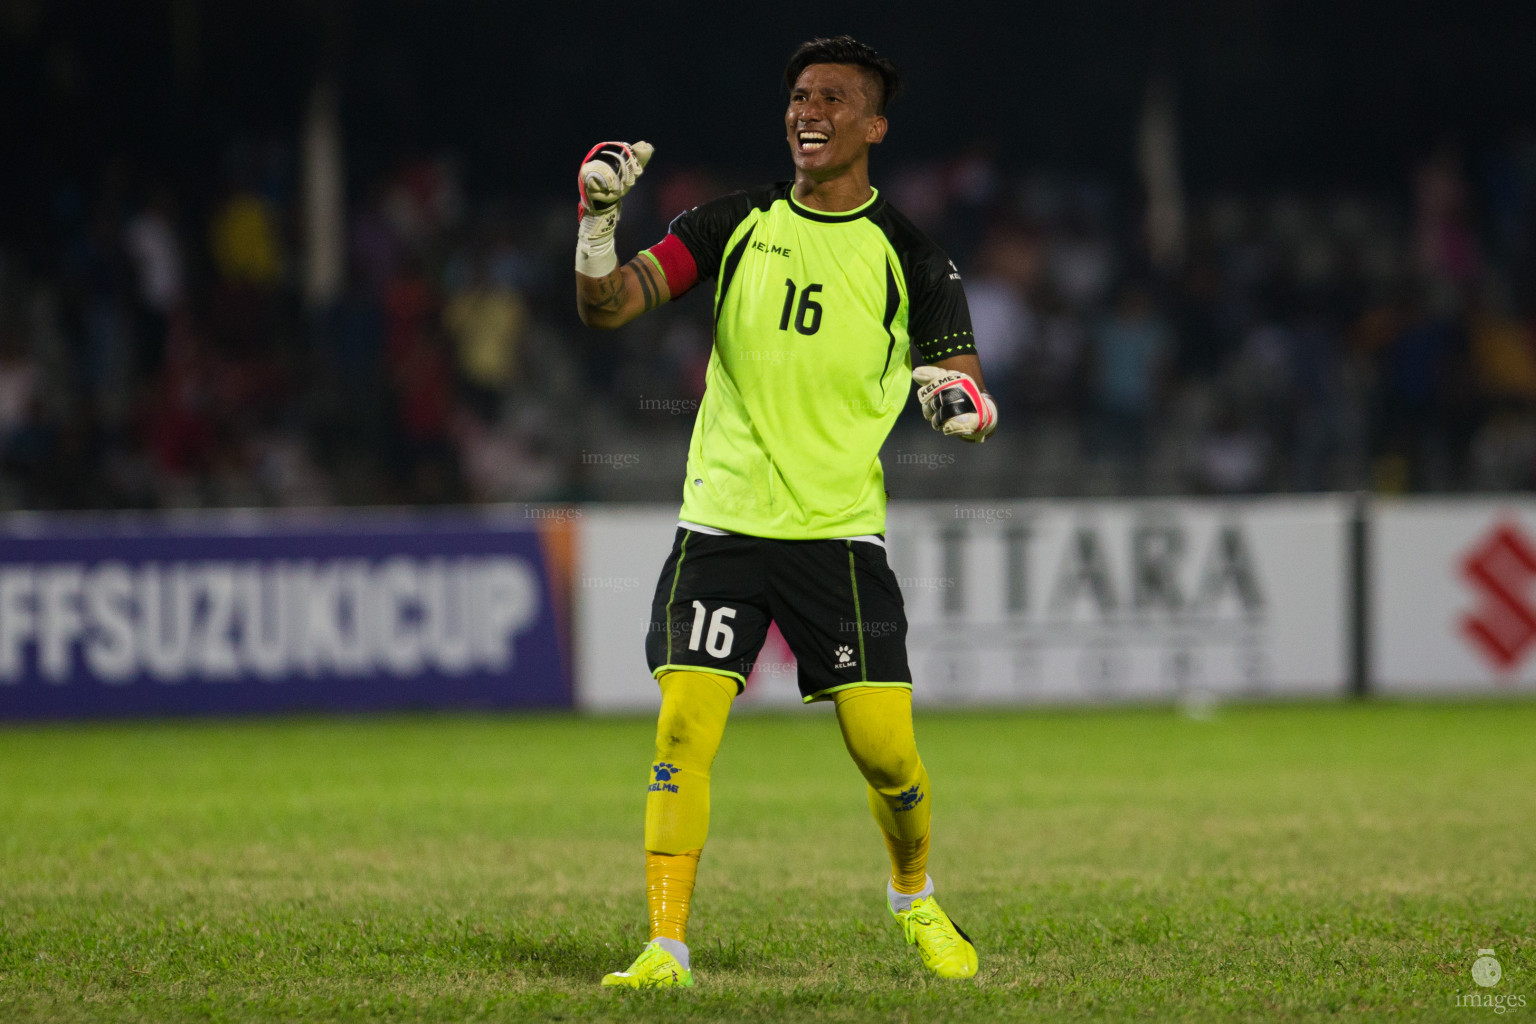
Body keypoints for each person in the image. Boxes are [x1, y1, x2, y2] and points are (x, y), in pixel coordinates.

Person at [574, 36, 997, 989]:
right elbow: (610, 305)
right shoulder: (732, 224)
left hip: (838, 535)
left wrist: (956, 407)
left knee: (887, 755)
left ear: (874, 127)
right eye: (801, 96)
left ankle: (915, 897)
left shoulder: (913, 256)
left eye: (835, 99)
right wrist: (598, 222)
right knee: (684, 726)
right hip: (721, 520)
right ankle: (665, 946)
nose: (811, 110)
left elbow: (962, 385)